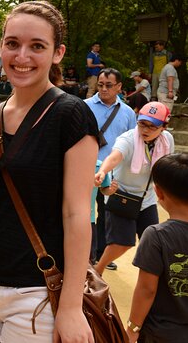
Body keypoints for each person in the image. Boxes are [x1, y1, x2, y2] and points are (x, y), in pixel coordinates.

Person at [0, 1, 98, 342]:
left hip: (38, 292)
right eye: (13, 44)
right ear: (0, 47)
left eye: (37, 46)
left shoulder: (71, 115)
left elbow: (77, 214)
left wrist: (71, 307)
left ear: (57, 53)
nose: (22, 56)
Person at [94, 101, 175, 275]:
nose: (145, 130)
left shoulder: (167, 140)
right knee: (122, 243)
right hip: (121, 195)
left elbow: (168, 166)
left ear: (164, 127)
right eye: (142, 124)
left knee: (153, 241)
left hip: (147, 198)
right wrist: (102, 172)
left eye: (152, 126)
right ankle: (97, 271)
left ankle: (151, 278)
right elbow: (114, 157)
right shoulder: (129, 138)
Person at [126, 153, 188, 343]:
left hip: (163, 334)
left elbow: (147, 290)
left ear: (158, 192)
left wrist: (132, 328)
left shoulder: (157, 235)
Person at [85, 67, 137, 269]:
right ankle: (87, 253)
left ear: (119, 87)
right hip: (86, 169)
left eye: (108, 85)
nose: (104, 89)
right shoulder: (84, 106)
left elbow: (132, 142)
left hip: (113, 173)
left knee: (107, 214)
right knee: (85, 212)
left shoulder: (127, 113)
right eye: (100, 85)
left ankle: (101, 255)